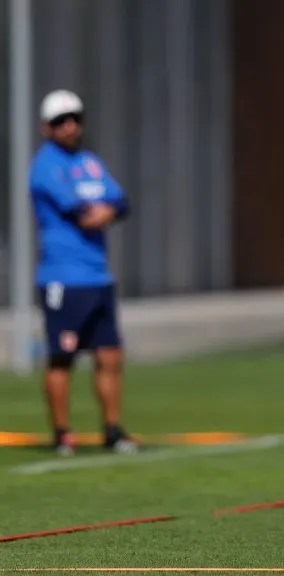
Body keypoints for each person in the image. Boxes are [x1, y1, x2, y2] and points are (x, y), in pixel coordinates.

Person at [29, 89, 137, 456]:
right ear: (47, 128)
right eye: (61, 121)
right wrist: (103, 211)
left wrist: (105, 211)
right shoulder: (46, 166)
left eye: (75, 117)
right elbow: (83, 213)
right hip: (63, 277)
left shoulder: (90, 162)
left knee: (109, 355)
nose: (70, 126)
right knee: (62, 356)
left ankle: (113, 429)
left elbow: (120, 202)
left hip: (97, 276)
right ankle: (63, 433)